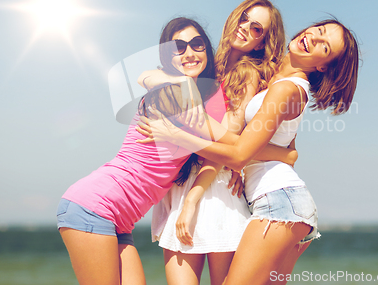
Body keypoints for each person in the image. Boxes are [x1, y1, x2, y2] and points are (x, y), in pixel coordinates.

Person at [56, 17, 295, 285]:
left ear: (207, 48)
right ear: (167, 56)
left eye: (197, 44)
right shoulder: (178, 95)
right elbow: (234, 144)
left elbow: (230, 144)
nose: (189, 53)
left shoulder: (196, 95)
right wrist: (284, 154)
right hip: (95, 206)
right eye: (178, 47)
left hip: (120, 219)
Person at [137, 18, 360, 285]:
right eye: (320, 31)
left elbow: (240, 153)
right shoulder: (279, 79)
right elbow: (279, 146)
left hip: (279, 202)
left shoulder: (286, 88)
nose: (314, 38)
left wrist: (180, 136)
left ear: (324, 65)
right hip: (278, 203)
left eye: (325, 47)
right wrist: (285, 155)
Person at [138, 0, 288, 285]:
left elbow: (225, 144)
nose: (245, 27)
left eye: (257, 28)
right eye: (244, 17)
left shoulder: (246, 75)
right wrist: (150, 79)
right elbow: (151, 75)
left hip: (214, 186)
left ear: (261, 43)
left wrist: (193, 198)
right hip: (182, 183)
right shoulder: (203, 59)